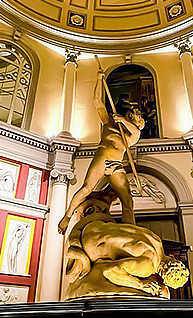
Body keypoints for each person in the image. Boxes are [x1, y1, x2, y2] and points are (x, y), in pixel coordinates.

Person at [58, 69, 145, 233]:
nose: (137, 117)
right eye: (137, 115)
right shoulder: (109, 123)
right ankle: (67, 216)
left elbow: (135, 131)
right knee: (86, 188)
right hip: (102, 158)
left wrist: (123, 120)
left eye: (139, 118)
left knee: (127, 200)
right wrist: (99, 79)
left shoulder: (132, 136)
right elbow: (97, 102)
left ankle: (130, 231)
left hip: (116, 165)